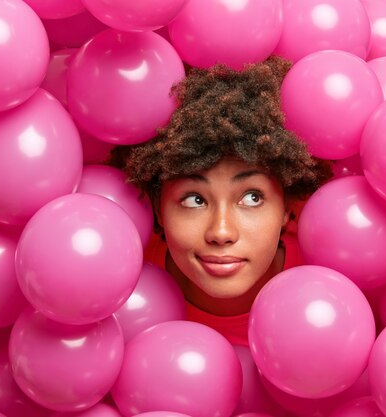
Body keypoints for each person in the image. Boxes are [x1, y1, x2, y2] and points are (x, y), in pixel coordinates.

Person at [108, 56, 331, 346]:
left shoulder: (324, 275)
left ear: (287, 208)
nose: (221, 232)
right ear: (158, 208)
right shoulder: (122, 284)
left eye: (252, 198)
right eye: (194, 199)